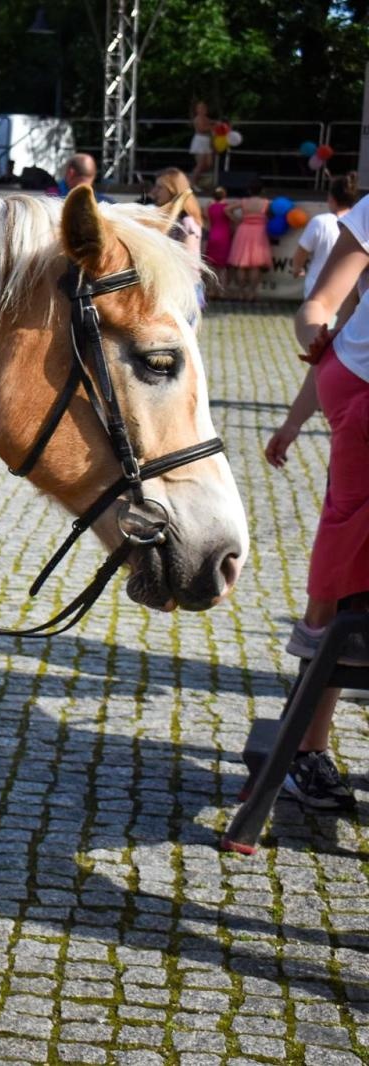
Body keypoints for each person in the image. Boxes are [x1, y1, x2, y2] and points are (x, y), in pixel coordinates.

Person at [261, 184, 369, 810]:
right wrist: (312, 331)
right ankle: (307, 750)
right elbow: (326, 312)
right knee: (343, 583)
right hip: (361, 396)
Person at [294, 176, 359, 299]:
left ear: (331, 198)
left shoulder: (320, 222)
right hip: (350, 291)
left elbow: (301, 253)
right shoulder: (360, 224)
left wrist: (297, 268)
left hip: (318, 290)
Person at [151, 167, 206, 313]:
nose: (154, 192)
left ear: (173, 190)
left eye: (160, 188)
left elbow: (188, 260)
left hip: (182, 291)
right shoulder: (168, 218)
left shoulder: (186, 221)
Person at [227, 182, 271, 302]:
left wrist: (238, 220)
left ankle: (241, 293)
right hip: (259, 232)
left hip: (244, 230)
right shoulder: (266, 202)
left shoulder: (244, 201)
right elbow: (272, 216)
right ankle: (252, 293)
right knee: (255, 265)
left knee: (241, 264)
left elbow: (227, 210)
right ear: (262, 191)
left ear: (249, 191)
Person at [205, 187, 233, 295]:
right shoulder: (227, 207)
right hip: (224, 237)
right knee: (222, 267)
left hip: (213, 235)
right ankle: (222, 291)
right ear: (225, 196)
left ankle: (211, 290)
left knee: (212, 266)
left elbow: (207, 220)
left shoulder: (210, 207)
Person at [189, 101, 216, 187]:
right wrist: (212, 127)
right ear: (197, 110)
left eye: (204, 108)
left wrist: (218, 123)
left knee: (208, 164)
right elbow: (201, 129)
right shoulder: (197, 119)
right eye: (200, 108)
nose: (202, 110)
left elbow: (211, 122)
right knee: (200, 164)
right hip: (200, 141)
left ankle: (197, 179)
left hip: (206, 141)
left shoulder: (206, 118)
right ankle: (192, 182)